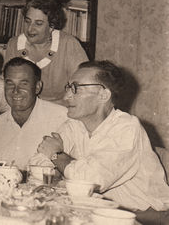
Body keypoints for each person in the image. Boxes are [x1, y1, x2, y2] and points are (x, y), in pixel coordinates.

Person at [37, 60, 169, 216]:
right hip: (99, 209)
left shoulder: (127, 128)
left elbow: (88, 181)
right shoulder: (74, 124)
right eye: (68, 87)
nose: (66, 96)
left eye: (76, 88)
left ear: (104, 95)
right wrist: (58, 164)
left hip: (143, 216)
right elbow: (38, 162)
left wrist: (56, 156)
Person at [4, 0, 88, 104]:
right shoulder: (13, 44)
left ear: (51, 26)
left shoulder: (69, 44)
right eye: (28, 21)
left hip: (62, 110)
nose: (30, 29)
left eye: (38, 24)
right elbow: (9, 87)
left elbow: (82, 88)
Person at [0, 57, 68, 170]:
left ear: (37, 87)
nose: (15, 91)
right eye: (10, 84)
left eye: (23, 84)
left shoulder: (62, 118)